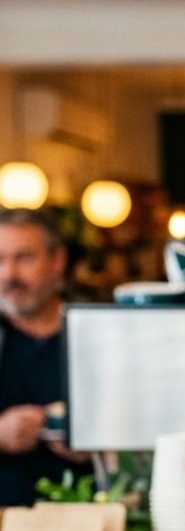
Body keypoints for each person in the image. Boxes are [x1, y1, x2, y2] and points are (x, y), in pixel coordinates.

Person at [0, 208, 88, 507]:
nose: (9, 274)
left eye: (24, 258)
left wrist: (98, 445)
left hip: (90, 514)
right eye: (0, 260)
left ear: (57, 260)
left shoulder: (96, 332)